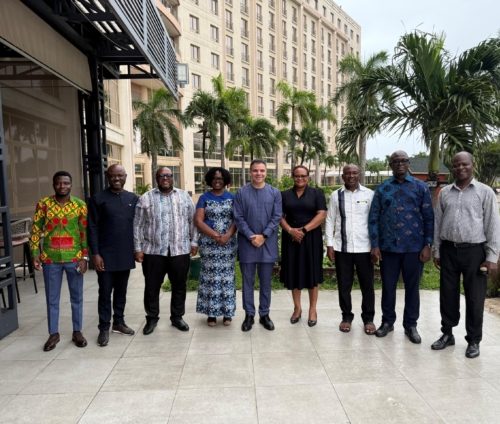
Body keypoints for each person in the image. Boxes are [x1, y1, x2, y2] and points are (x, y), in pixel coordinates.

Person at [431, 152, 500, 358]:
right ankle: (447, 333)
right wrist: (437, 250)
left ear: (472, 165)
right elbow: (437, 224)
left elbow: (492, 225)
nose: (460, 168)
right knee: (447, 295)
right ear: (452, 168)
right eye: (456, 165)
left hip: (475, 253)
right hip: (449, 251)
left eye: (464, 164)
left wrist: (492, 257)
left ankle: (474, 340)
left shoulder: (485, 192)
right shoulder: (445, 193)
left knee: (475, 297)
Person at [368, 150, 434, 344]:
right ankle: (387, 322)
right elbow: (373, 217)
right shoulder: (383, 188)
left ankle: (411, 325)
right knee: (388, 287)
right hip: (388, 248)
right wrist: (375, 245)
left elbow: (429, 218)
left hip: (414, 248)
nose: (399, 164)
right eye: (395, 161)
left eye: (403, 161)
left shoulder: (420, 187)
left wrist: (428, 244)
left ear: (408, 163)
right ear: (390, 165)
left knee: (412, 288)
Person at [133, 166, 198, 335]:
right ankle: (152, 318)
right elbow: (137, 225)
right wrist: (138, 248)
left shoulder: (184, 196)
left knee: (179, 285)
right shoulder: (146, 198)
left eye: (168, 175)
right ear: (156, 178)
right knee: (152, 286)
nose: (165, 178)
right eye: (162, 176)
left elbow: (193, 221)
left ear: (172, 177)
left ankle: (177, 317)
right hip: (153, 251)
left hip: (180, 250)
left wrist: (194, 242)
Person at [29, 171, 89, 351]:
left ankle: (77, 332)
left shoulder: (80, 205)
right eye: (59, 183)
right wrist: (34, 253)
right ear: (54, 185)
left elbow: (84, 233)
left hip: (74, 258)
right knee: (52, 299)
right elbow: (35, 230)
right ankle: (53, 334)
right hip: (50, 259)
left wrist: (85, 257)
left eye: (66, 183)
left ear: (71, 184)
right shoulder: (43, 204)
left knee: (77, 297)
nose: (62, 186)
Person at [88, 164, 138, 347]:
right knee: (105, 292)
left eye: (120, 175)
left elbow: (138, 226)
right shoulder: (97, 199)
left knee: (121, 291)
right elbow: (92, 227)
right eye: (112, 176)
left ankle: (118, 322)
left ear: (125, 177)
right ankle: (103, 327)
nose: (116, 179)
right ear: (107, 177)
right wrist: (95, 253)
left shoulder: (133, 199)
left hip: (125, 253)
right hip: (105, 255)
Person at [326, 164, 376, 334]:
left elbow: (374, 221)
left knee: (367, 286)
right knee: (344, 285)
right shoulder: (336, 195)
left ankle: (368, 319)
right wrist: (329, 245)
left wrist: (375, 246)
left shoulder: (369, 194)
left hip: (365, 248)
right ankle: (346, 317)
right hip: (342, 248)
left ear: (359, 175)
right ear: (343, 176)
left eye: (354, 173)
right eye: (348, 173)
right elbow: (330, 220)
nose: (351, 176)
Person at [233, 159, 282, 332]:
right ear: (250, 172)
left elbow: (277, 217)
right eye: (255, 170)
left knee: (266, 282)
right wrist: (251, 236)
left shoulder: (275, 193)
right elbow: (238, 217)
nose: (258, 173)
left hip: (267, 244)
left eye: (262, 170)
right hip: (247, 244)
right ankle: (249, 315)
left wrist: (264, 235)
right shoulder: (241, 193)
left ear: (266, 172)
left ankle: (264, 314)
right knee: (247, 282)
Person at [280, 165, 326, 327]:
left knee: (312, 274)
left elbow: (322, 214)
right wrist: (291, 231)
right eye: (297, 176)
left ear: (308, 177)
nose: (300, 178)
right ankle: (297, 308)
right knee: (294, 273)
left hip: (311, 238)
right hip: (291, 239)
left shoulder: (317, 193)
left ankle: (312, 309)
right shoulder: (284, 195)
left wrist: (304, 230)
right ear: (293, 177)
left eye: (303, 176)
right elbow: (279, 216)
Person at [194, 167, 237, 326]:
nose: (217, 181)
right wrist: (216, 235)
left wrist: (227, 235)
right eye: (214, 178)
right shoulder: (204, 198)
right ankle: (211, 314)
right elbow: (198, 221)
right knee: (211, 278)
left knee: (227, 278)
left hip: (228, 244)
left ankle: (227, 313)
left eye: (220, 178)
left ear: (225, 180)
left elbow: (236, 219)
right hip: (209, 244)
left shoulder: (232, 197)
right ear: (209, 180)